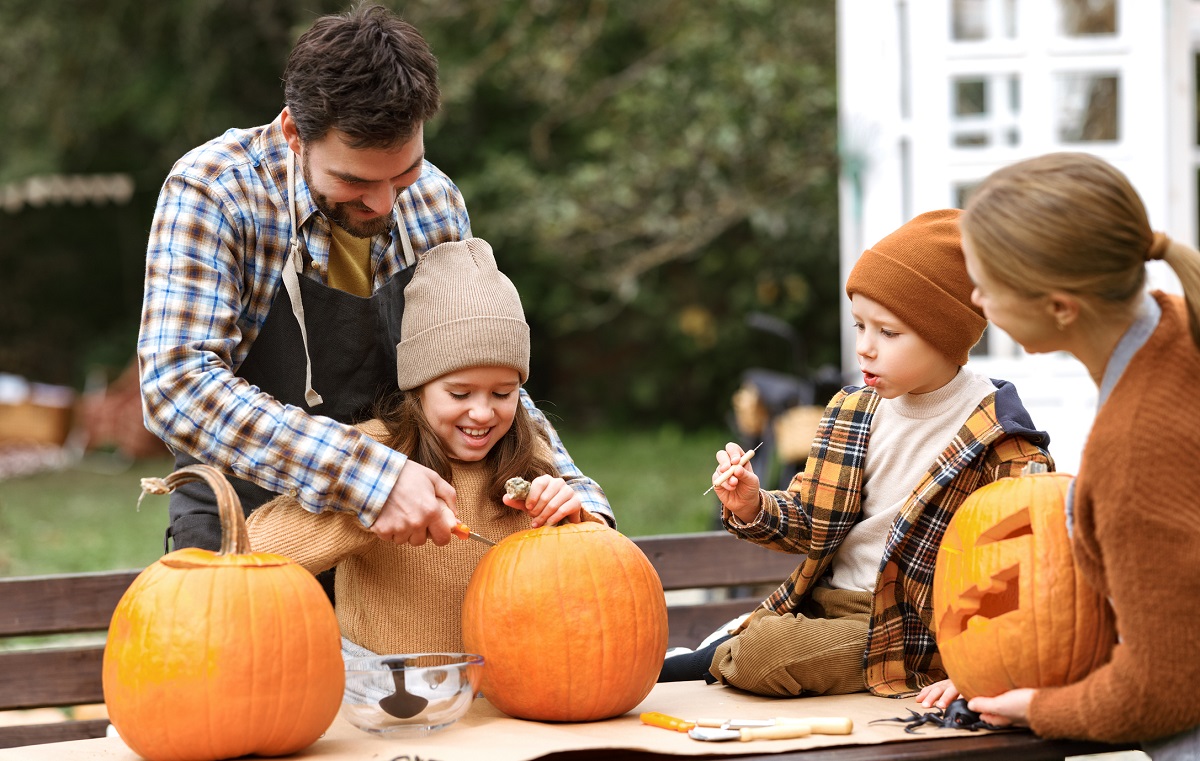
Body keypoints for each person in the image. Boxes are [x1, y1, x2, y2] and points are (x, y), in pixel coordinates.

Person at [136, 4, 612, 565]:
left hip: (392, 553)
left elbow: (484, 363)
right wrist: (366, 475)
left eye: (403, 174)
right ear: (294, 132)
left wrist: (575, 495)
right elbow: (177, 385)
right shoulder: (215, 192)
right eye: (354, 180)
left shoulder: (434, 201)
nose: (386, 202)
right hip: (246, 541)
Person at [658, 209, 1053, 698]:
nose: (865, 348)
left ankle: (708, 656)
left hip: (907, 632)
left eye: (887, 333)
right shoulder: (853, 410)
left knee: (764, 654)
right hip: (824, 604)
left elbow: (1019, 575)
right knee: (767, 635)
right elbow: (811, 520)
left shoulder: (999, 442)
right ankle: (726, 647)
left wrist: (977, 667)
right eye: (859, 326)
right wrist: (753, 505)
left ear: (945, 332)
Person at [915, 152, 1200, 757]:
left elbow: (1166, 689)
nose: (976, 298)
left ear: (1061, 307)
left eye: (987, 285)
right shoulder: (1178, 330)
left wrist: (1039, 708)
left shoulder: (1134, 448)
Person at [246, 237, 605, 656]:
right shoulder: (372, 454)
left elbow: (600, 582)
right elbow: (256, 550)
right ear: (418, 389)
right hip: (396, 706)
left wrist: (574, 520)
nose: (483, 413)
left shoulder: (529, 457)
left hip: (509, 703)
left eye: (503, 393)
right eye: (459, 394)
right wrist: (370, 499)